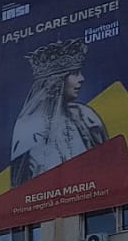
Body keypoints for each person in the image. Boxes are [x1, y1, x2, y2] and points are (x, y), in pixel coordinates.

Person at [7, 38, 108, 187]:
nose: (81, 79)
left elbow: (108, 167)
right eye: (74, 73)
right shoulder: (26, 128)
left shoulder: (86, 117)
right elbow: (18, 188)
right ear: (56, 81)